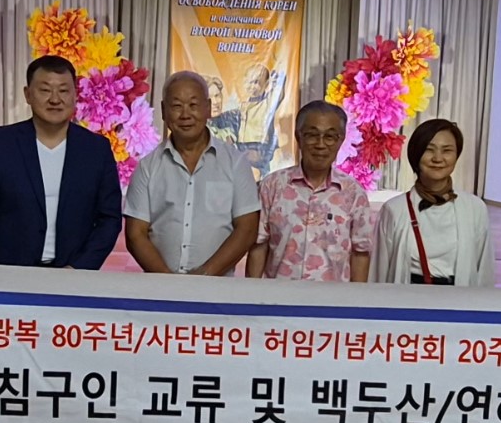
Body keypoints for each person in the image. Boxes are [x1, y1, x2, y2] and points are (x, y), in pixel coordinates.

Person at [0, 55, 122, 269]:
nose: (55, 99)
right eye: (45, 90)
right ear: (27, 94)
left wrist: (80, 267)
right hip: (8, 272)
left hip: (72, 273)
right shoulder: (0, 143)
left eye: (64, 90)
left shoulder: (96, 149)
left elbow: (109, 219)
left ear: (75, 95)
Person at [125, 71, 260, 275]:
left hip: (217, 287)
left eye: (193, 105)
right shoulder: (147, 167)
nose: (185, 115)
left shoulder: (235, 163)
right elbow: (135, 234)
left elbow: (247, 229)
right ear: (163, 111)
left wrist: (205, 275)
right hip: (160, 286)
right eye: (177, 106)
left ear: (208, 108)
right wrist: (167, 280)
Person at [246, 101, 373, 282]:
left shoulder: (353, 193)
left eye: (330, 136)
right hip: (280, 295)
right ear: (298, 137)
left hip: (333, 297)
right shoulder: (272, 186)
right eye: (312, 135)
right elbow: (259, 245)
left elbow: (360, 253)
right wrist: (251, 293)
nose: (320, 144)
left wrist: (357, 299)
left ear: (341, 140)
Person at [373, 119, 494, 286]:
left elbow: (484, 272)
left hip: (459, 298)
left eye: (447, 150)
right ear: (416, 154)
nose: (438, 158)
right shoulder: (394, 209)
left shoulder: (475, 208)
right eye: (429, 150)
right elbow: (379, 272)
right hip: (408, 298)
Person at [236, 64, 285, 178]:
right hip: (242, 145)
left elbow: (278, 95)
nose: (252, 87)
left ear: (266, 85)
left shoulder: (267, 103)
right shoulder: (242, 105)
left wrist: (276, 82)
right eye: (250, 82)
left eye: (257, 82)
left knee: (259, 177)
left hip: (258, 146)